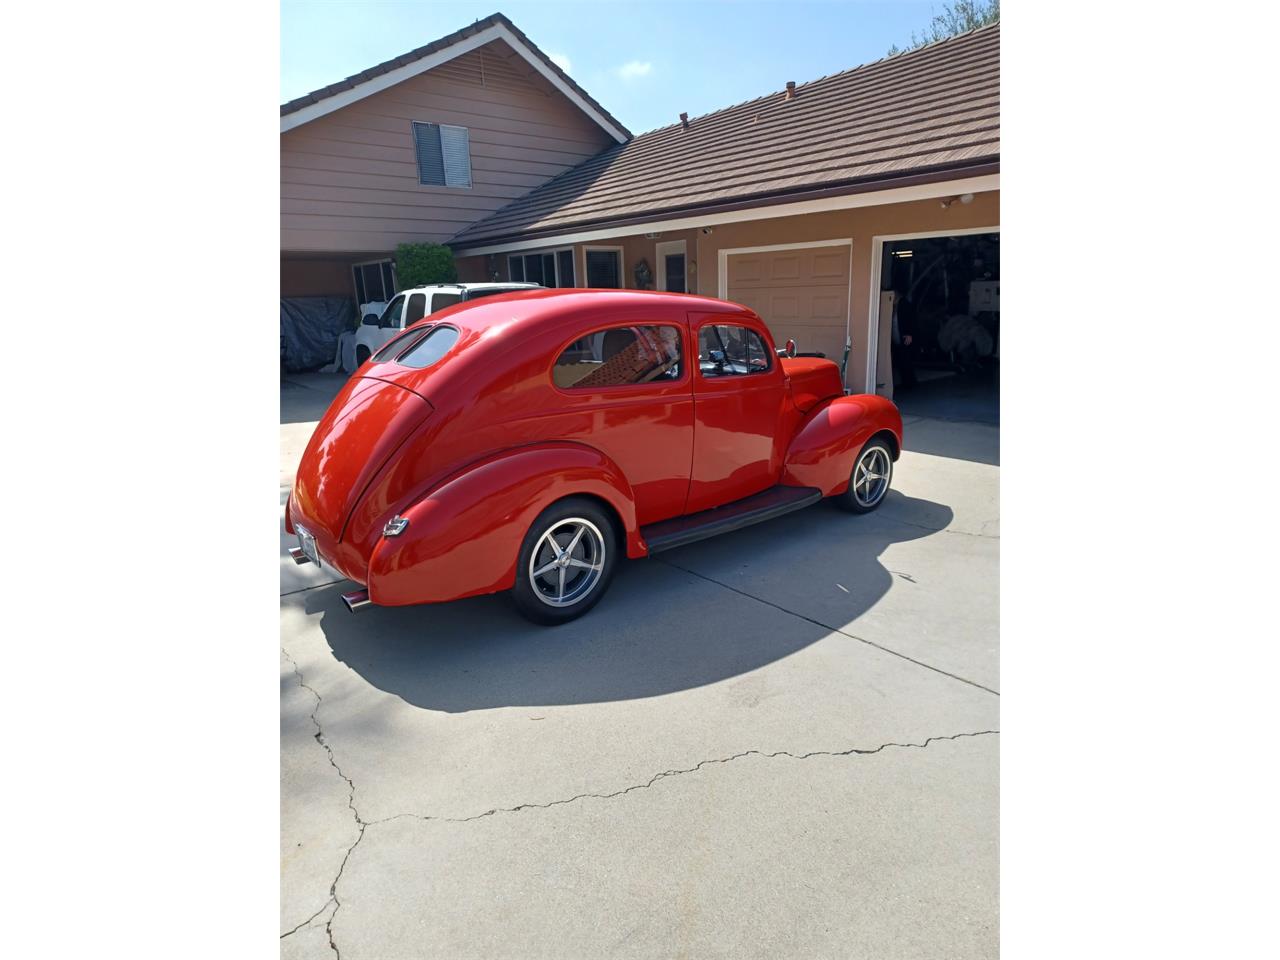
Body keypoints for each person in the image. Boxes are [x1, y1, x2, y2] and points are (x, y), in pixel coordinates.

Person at [891, 289, 918, 390]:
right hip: (896, 336)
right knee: (900, 361)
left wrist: (910, 334)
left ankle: (910, 383)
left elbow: (912, 320)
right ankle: (906, 382)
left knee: (906, 360)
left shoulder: (905, 305)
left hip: (904, 336)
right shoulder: (891, 306)